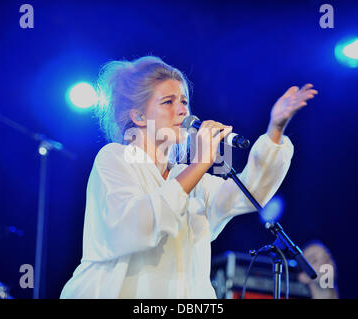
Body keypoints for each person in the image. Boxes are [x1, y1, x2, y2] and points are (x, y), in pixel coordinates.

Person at [60, 55, 317, 298]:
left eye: (183, 101)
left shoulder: (192, 178)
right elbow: (135, 227)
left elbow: (248, 193)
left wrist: (275, 129)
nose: (182, 110)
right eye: (168, 102)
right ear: (138, 116)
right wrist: (200, 163)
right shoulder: (115, 158)